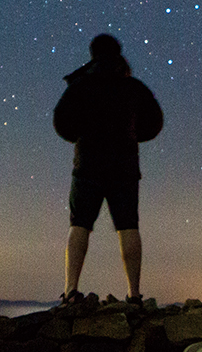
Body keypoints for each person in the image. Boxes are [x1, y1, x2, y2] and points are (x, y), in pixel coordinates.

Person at [52, 32, 163, 305]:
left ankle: (70, 291)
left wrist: (79, 135)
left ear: (93, 54)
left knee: (79, 224)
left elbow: (61, 121)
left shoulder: (81, 85)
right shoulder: (134, 87)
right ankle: (134, 294)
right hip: (124, 166)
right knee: (128, 226)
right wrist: (133, 135)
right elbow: (155, 122)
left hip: (88, 165)